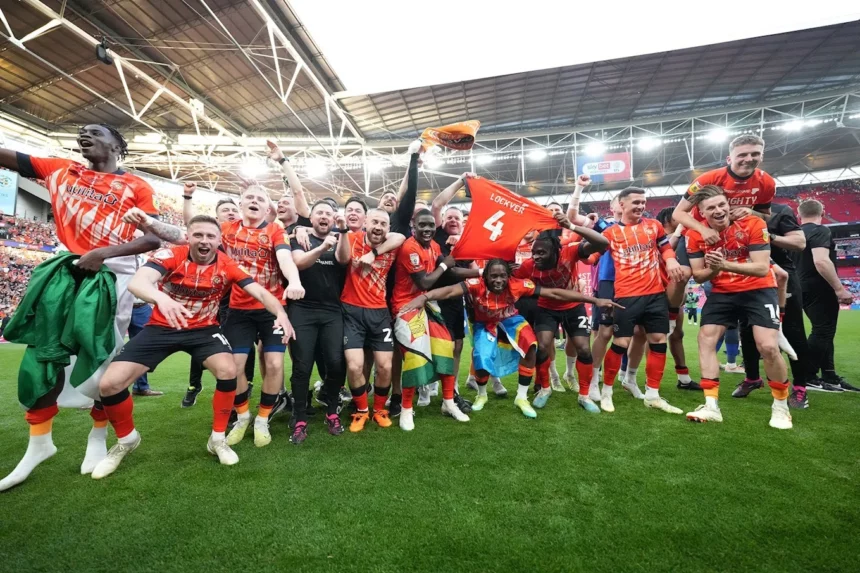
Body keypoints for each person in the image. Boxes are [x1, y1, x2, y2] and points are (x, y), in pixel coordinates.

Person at [0, 124, 162, 492]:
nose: (83, 136)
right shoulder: (59, 168)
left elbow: (152, 237)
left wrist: (104, 253)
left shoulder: (136, 186)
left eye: (94, 132)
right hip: (65, 269)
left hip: (111, 274)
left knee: (101, 360)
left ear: (117, 145)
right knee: (43, 353)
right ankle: (39, 444)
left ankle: (98, 437)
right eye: (81, 132)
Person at [90, 216, 293, 479]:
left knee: (228, 370)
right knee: (110, 384)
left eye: (210, 236)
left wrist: (281, 314)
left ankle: (217, 439)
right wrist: (162, 298)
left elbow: (263, 293)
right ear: (188, 236)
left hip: (203, 330)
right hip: (162, 327)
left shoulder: (228, 265)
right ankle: (126, 440)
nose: (204, 241)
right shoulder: (170, 254)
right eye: (198, 235)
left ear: (220, 241)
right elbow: (137, 283)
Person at [124, 183, 306, 448]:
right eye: (249, 197)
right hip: (239, 309)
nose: (254, 201)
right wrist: (150, 221)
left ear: (269, 208)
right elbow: (184, 234)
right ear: (241, 204)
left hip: (271, 308)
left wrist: (294, 281)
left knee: (276, 364)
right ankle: (243, 416)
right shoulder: (226, 231)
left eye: (260, 198)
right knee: (235, 366)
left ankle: (263, 419)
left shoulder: (275, 230)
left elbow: (285, 258)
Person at [401, 259, 619, 418]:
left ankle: (521, 397)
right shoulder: (475, 285)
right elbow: (448, 292)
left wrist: (594, 300)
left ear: (508, 277)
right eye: (493, 276)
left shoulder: (518, 285)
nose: (498, 280)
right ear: (485, 277)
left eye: (502, 276)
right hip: (485, 323)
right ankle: (482, 395)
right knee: (481, 356)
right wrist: (425, 296)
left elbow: (554, 293)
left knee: (531, 344)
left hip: (511, 320)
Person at [683, 186, 792, 429]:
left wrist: (724, 265)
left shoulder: (752, 223)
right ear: (701, 213)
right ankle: (711, 406)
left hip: (758, 289)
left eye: (722, 204)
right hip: (723, 292)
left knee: (768, 346)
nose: (719, 210)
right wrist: (714, 268)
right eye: (711, 208)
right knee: (706, 340)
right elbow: (700, 276)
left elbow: (762, 268)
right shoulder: (695, 235)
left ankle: (781, 407)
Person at [390, 208, 479, 430]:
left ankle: (448, 402)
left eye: (431, 225)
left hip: (428, 305)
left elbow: (450, 271)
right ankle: (407, 409)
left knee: (445, 348)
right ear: (414, 227)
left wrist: (480, 274)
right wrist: (444, 264)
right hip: (406, 307)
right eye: (423, 225)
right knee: (416, 353)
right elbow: (425, 283)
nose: (428, 229)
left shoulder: (435, 247)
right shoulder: (409, 248)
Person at [599, 187, 686, 415]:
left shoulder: (653, 226)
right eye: (636, 202)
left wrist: (671, 261)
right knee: (621, 342)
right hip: (627, 295)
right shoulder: (609, 234)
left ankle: (653, 395)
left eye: (643, 202)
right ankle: (607, 390)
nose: (640, 206)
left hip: (656, 294)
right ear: (622, 205)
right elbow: (590, 256)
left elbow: (665, 248)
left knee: (658, 339)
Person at [513, 214, 609, 413]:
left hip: (574, 307)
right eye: (534, 253)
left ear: (555, 251)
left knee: (583, 348)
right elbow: (513, 280)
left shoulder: (570, 251)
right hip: (546, 308)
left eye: (541, 253)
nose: (536, 257)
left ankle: (584, 395)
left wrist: (572, 225)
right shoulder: (528, 266)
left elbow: (602, 243)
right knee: (543, 347)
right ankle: (544, 389)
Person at [734, 203, 813, 407]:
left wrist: (763, 235)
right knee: (747, 330)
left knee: (792, 330)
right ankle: (752, 378)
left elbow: (799, 242)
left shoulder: (779, 210)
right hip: (747, 276)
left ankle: (800, 387)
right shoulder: (728, 207)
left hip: (780, 275)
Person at [181, 191, 254, 408]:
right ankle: (195, 384)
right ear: (216, 218)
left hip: (243, 298)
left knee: (244, 345)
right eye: (225, 210)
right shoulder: (211, 240)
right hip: (216, 301)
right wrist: (187, 197)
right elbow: (190, 225)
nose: (230, 213)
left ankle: (246, 383)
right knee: (201, 339)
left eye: (233, 210)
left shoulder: (244, 234)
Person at [337, 208, 406, 432]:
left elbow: (401, 236)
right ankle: (361, 411)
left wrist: (373, 254)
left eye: (383, 224)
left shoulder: (391, 242)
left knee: (385, 367)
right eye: (374, 222)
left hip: (379, 312)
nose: (378, 227)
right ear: (365, 223)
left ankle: (379, 410)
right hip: (352, 311)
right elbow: (342, 258)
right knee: (355, 366)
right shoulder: (352, 238)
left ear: (388, 227)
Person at [287, 200, 348, 443]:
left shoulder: (339, 237)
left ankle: (332, 410)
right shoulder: (298, 238)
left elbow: (344, 260)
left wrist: (341, 233)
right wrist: (323, 247)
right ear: (310, 219)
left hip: (332, 310)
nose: (324, 216)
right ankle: (299, 416)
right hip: (302, 309)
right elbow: (299, 263)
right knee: (302, 366)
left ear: (333, 218)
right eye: (319, 213)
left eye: (328, 214)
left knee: (335, 364)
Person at [797, 200, 857, 392]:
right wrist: (839, 289)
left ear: (799, 214)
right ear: (823, 212)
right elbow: (822, 261)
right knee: (823, 331)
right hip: (819, 288)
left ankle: (829, 375)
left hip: (800, 287)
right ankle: (807, 375)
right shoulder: (820, 231)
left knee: (824, 331)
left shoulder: (795, 234)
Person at [128, 294, 163, 397]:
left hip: (141, 307)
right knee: (113, 347)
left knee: (143, 348)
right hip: (120, 306)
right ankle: (105, 390)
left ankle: (141, 387)